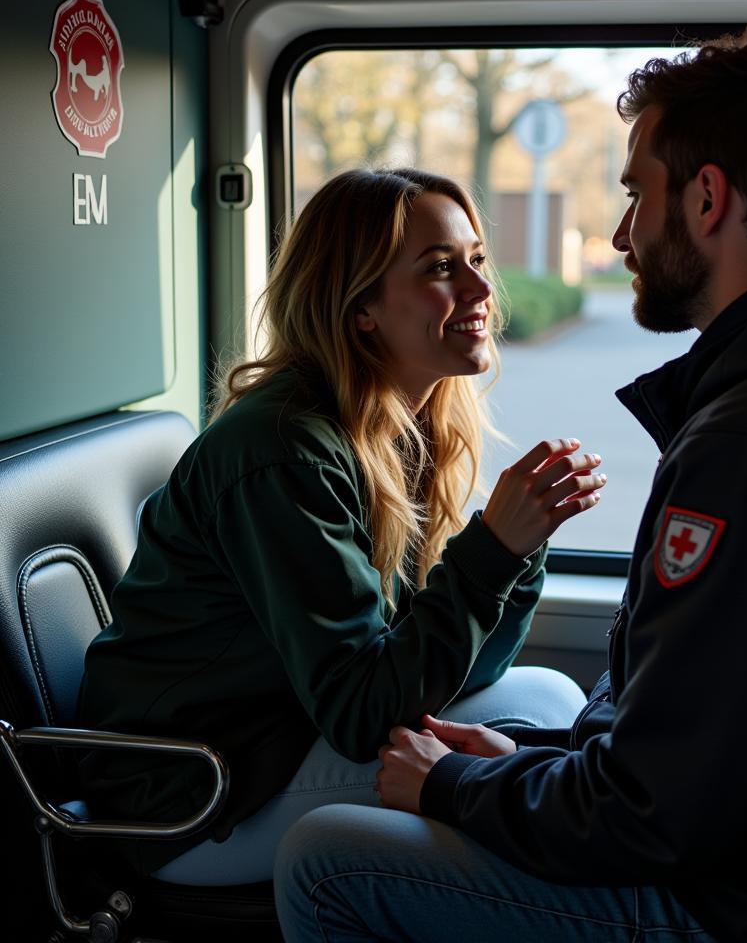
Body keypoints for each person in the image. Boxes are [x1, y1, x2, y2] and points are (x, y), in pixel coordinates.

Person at [273, 34, 747, 942]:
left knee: (324, 861)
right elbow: (697, 746)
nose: (619, 234)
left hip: (739, 905)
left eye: (637, 193)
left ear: (709, 198)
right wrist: (526, 762)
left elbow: (657, 808)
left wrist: (455, 784)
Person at [76, 167, 599, 885]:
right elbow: (361, 713)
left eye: (476, 261)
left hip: (289, 737)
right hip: (200, 793)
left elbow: (462, 672)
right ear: (362, 309)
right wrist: (494, 549)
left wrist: (519, 549)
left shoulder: (402, 431)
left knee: (548, 702)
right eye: (441, 269)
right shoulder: (285, 450)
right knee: (510, 786)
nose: (482, 291)